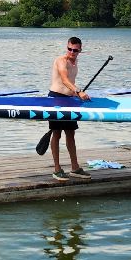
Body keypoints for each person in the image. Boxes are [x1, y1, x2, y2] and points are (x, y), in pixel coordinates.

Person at [46, 36, 92, 181]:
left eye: (75, 50)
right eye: (70, 49)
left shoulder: (75, 62)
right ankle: (57, 169)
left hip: (69, 100)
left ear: (80, 50)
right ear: (67, 47)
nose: (72, 52)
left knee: (71, 134)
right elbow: (65, 80)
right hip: (56, 99)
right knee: (57, 134)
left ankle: (75, 167)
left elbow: (70, 82)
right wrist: (78, 91)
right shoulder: (61, 61)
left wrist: (76, 94)